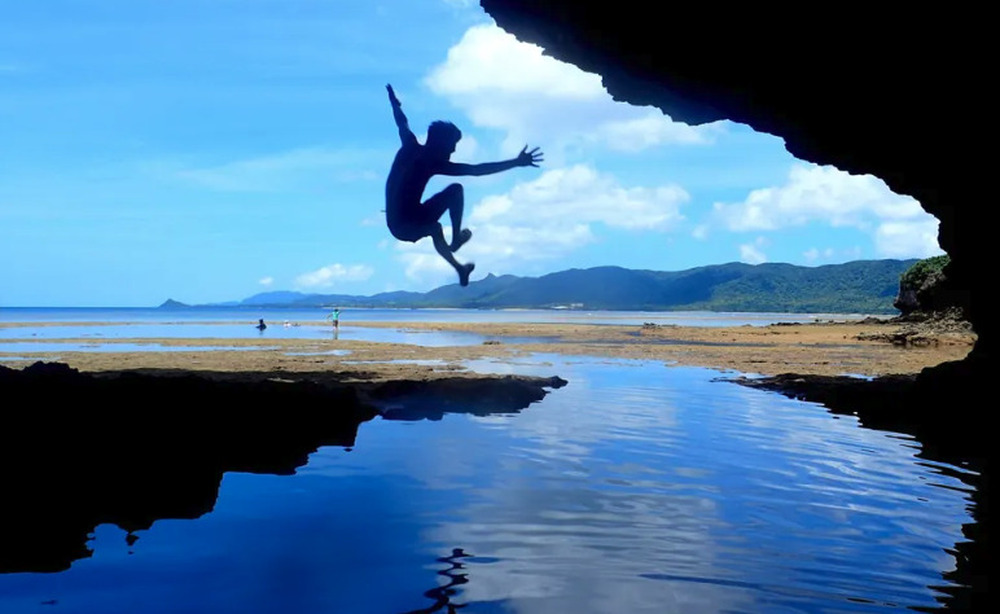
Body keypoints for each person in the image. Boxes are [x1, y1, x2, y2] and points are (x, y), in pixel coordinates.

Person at [385, 84, 543, 286]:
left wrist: (394, 103)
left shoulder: (410, 144)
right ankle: (458, 260)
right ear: (440, 144)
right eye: (452, 147)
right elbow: (477, 170)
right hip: (402, 226)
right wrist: (516, 162)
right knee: (435, 226)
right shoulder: (432, 163)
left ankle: (457, 245)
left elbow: (402, 123)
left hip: (407, 217)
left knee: (454, 193)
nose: (452, 152)